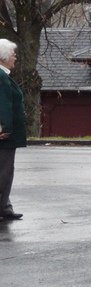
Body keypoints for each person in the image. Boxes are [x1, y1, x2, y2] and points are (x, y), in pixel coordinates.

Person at [0, 39, 27, 220]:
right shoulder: (1, 76)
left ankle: (5, 207)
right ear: (3, 56)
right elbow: (3, 104)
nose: (15, 57)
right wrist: (4, 127)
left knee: (6, 171)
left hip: (6, 132)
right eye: (12, 54)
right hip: (4, 133)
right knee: (3, 171)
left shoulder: (4, 75)